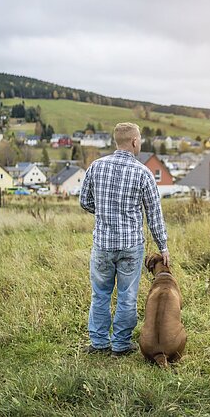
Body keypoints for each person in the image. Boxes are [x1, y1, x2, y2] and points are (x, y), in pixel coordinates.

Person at [80, 122, 169, 356]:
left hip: (102, 245)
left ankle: (99, 343)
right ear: (134, 142)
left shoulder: (96, 167)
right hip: (131, 246)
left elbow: (84, 201)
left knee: (100, 294)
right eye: (140, 140)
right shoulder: (143, 173)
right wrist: (163, 246)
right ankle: (120, 345)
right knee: (127, 296)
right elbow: (154, 214)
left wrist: (103, 212)